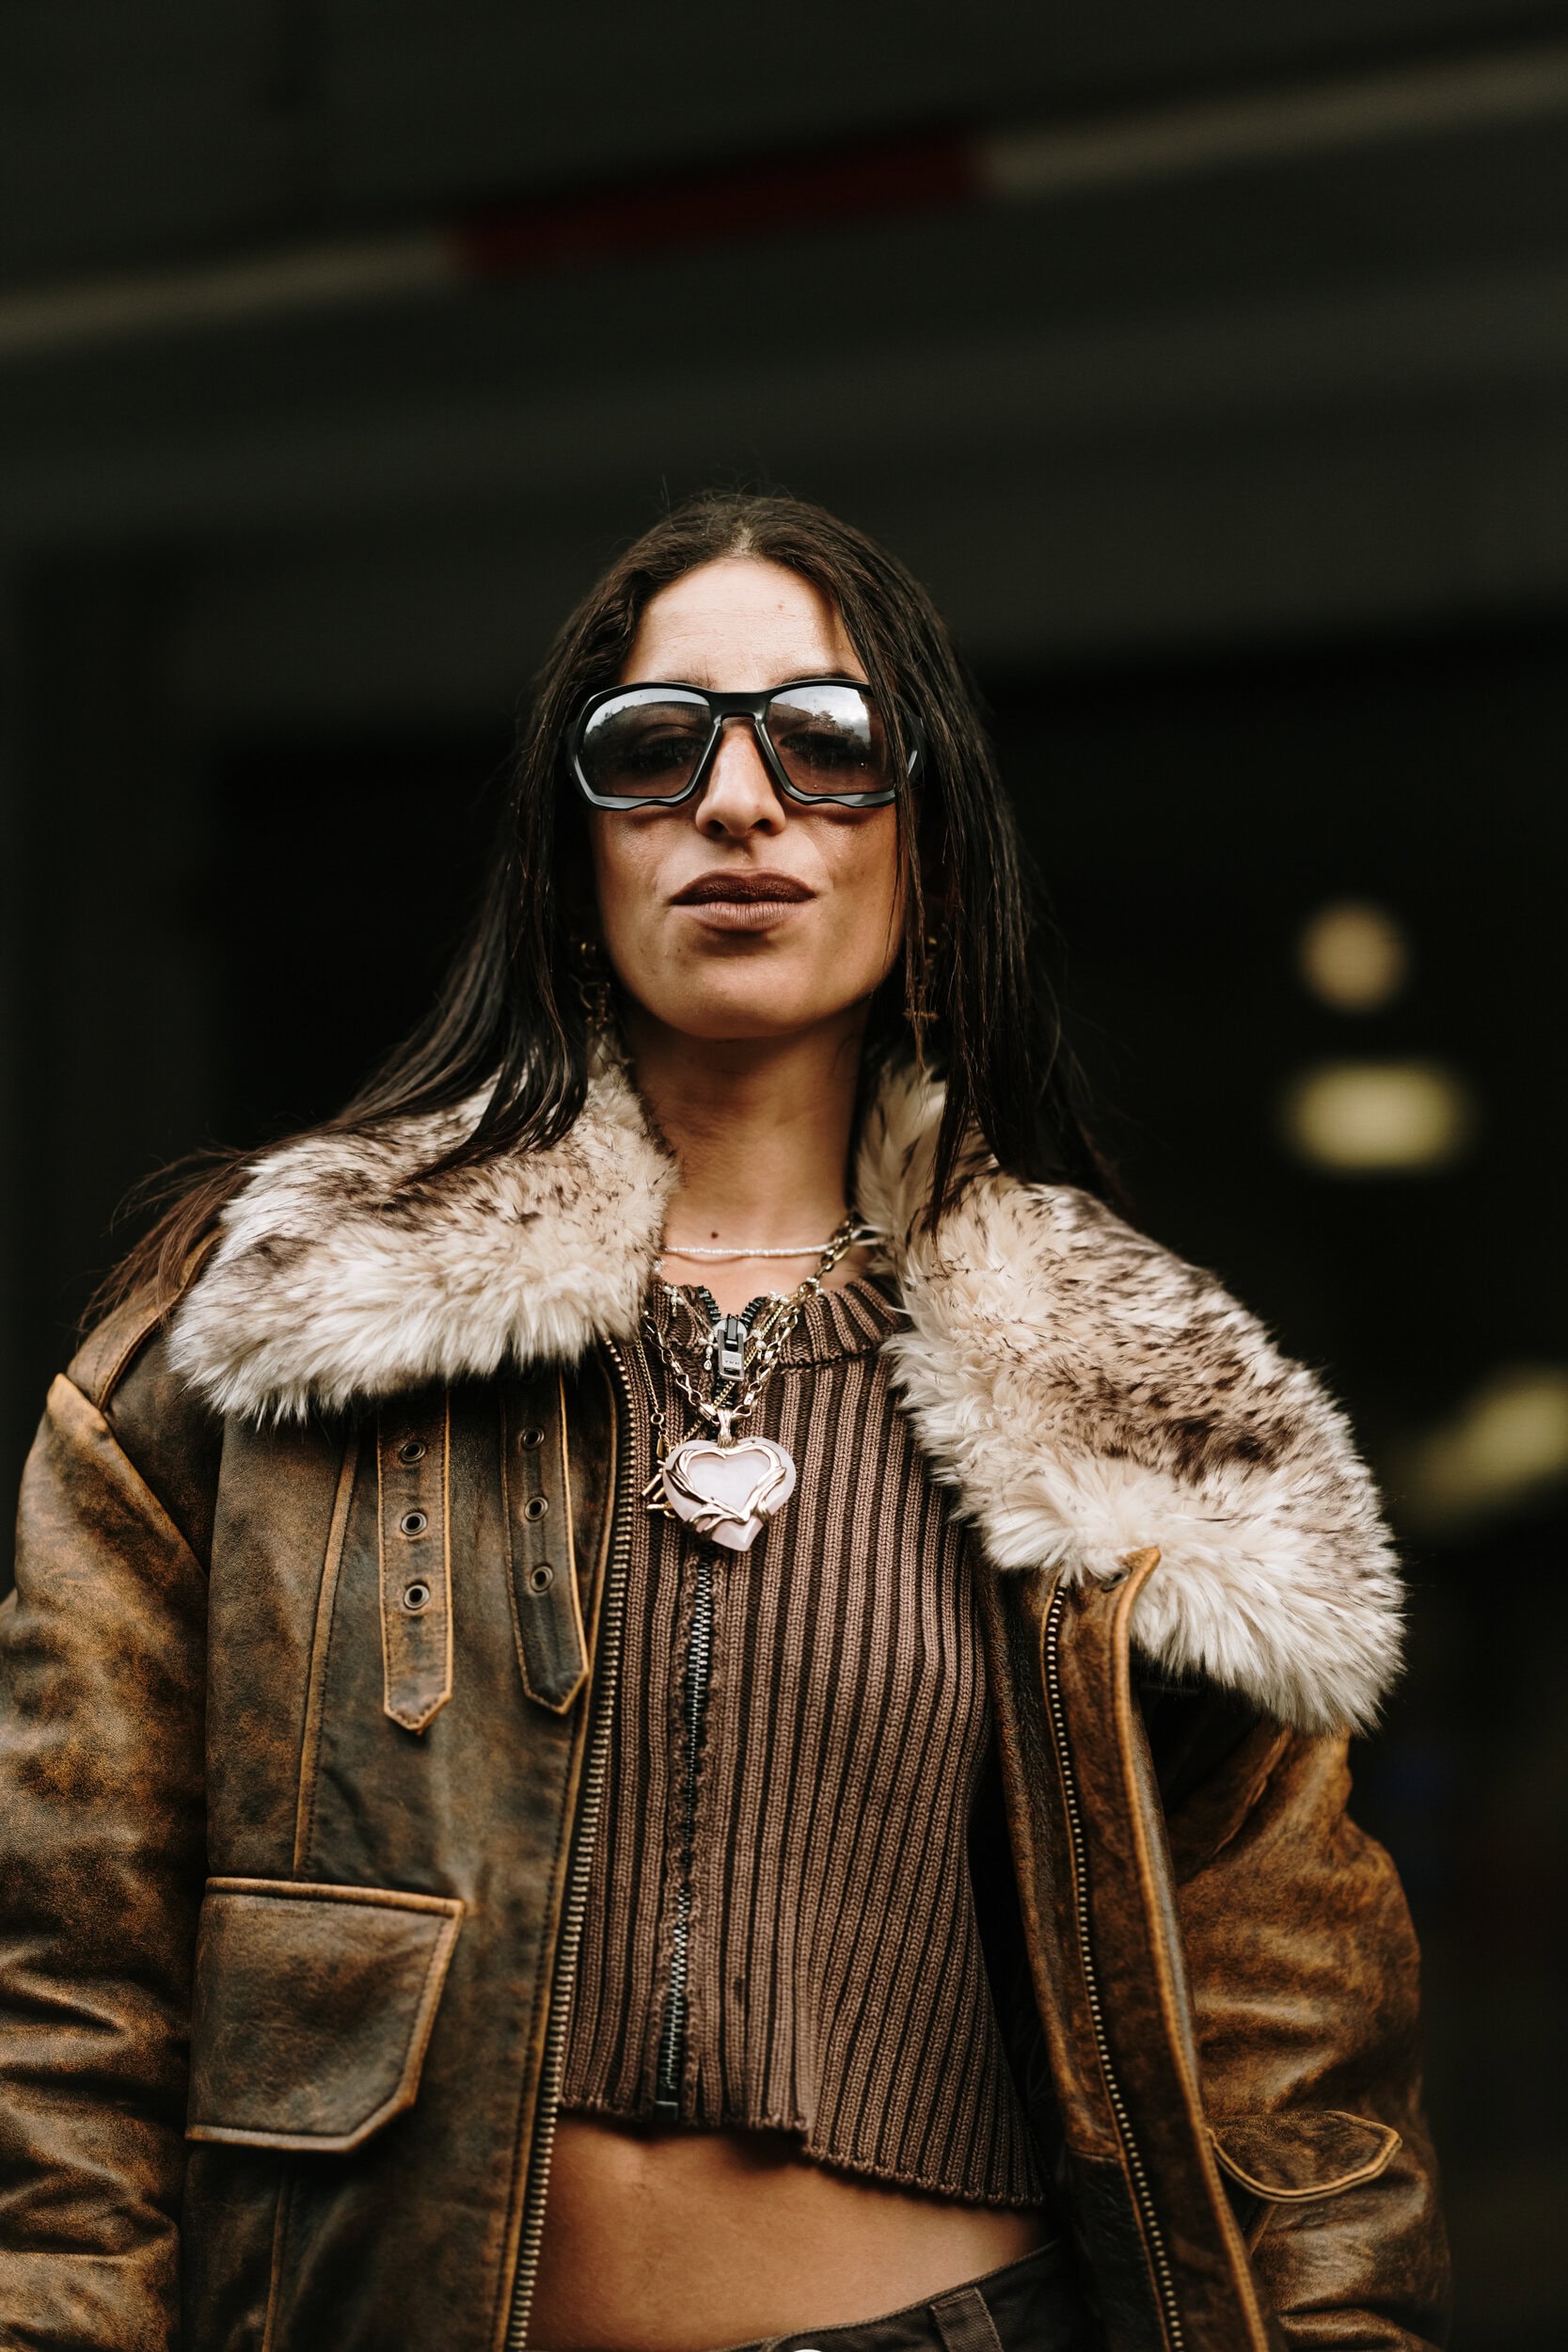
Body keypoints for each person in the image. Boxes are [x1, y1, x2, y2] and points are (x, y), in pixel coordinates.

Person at [0, 492, 1448, 2352]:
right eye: (654, 745)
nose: (740, 803)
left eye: (826, 743)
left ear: (930, 843)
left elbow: (1299, 2086)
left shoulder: (1139, 1418)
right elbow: (73, 2005)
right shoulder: (267, 1340)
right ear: (572, 850)